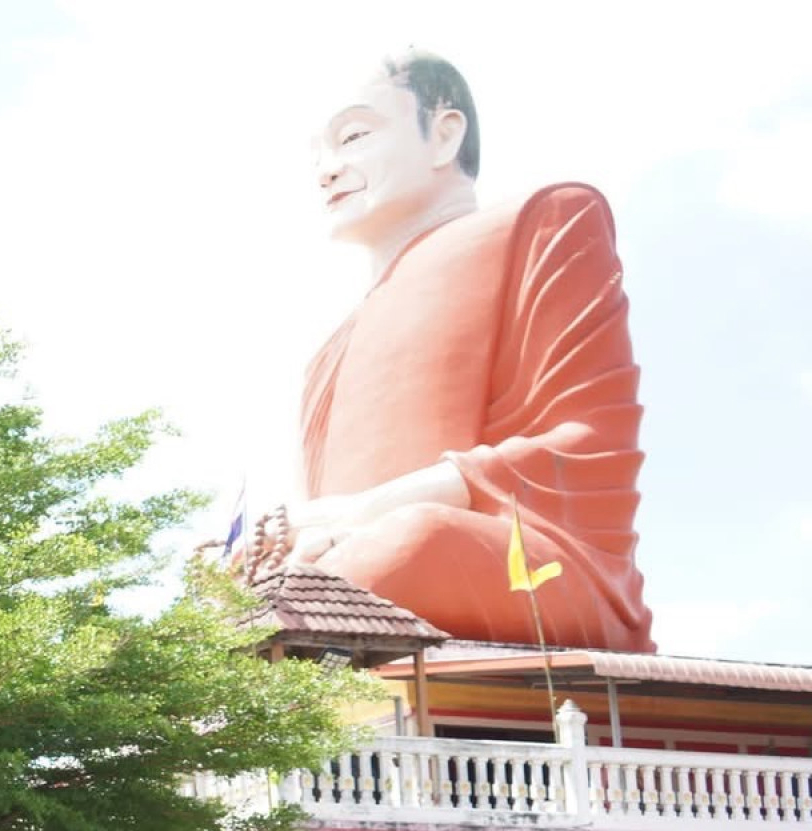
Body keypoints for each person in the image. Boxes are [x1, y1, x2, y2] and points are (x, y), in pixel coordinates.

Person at [237, 50, 653, 652]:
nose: (327, 171)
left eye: (353, 137)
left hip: (517, 560)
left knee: (411, 540)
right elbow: (316, 518)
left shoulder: (546, 219)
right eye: (317, 156)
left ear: (444, 133)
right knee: (221, 603)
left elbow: (588, 443)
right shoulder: (327, 355)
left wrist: (370, 510)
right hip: (351, 568)